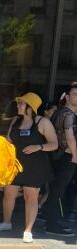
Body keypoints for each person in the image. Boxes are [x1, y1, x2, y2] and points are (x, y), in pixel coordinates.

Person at [0, 92, 58, 243]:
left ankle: (28, 230)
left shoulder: (43, 122)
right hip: (15, 164)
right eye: (19, 103)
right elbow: (9, 140)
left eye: (22, 103)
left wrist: (38, 146)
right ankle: (6, 223)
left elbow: (54, 144)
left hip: (35, 165)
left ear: (30, 107)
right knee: (8, 193)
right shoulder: (15, 120)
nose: (18, 105)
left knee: (30, 197)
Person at [41, 82, 77, 236]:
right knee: (57, 191)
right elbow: (70, 137)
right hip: (66, 156)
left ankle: (51, 220)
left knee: (56, 190)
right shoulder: (68, 114)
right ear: (67, 97)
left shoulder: (63, 112)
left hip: (60, 156)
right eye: (75, 94)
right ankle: (52, 225)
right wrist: (75, 156)